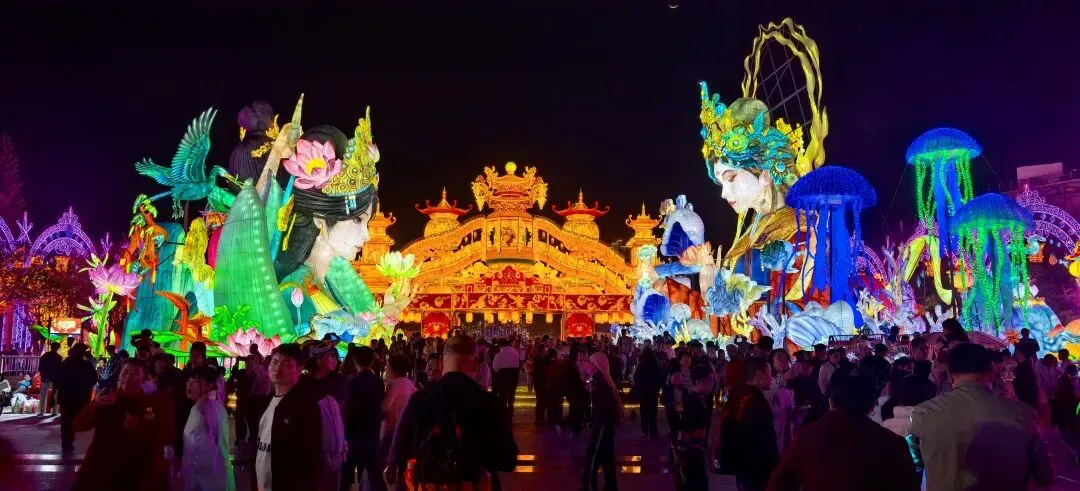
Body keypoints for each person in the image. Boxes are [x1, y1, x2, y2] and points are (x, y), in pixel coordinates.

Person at [909, 343, 1054, 490]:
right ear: (991, 372)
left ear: (950, 375)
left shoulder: (923, 412)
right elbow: (1045, 475)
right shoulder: (1024, 414)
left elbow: (914, 463)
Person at [388, 335, 518, 491]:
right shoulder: (490, 404)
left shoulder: (420, 399)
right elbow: (508, 460)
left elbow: (400, 449)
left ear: (441, 363)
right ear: (476, 364)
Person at [767, 366, 919, 491]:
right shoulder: (892, 444)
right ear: (872, 404)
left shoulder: (805, 437)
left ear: (830, 400)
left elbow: (778, 484)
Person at [73, 358, 174, 491]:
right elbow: (79, 424)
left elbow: (162, 436)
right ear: (119, 375)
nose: (129, 377)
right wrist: (95, 405)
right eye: (125, 372)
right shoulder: (106, 399)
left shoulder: (150, 404)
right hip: (103, 470)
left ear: (144, 379)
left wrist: (139, 427)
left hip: (136, 473)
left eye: (135, 373)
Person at [256, 344, 323, 491]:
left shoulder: (306, 406)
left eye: (286, 363)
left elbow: (309, 457)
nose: (278, 367)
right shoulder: (266, 402)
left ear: (299, 369)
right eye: (275, 361)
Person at [717, 357, 778, 491]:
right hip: (756, 469)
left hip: (737, 465)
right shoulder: (757, 402)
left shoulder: (735, 394)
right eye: (769, 373)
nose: (772, 378)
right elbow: (766, 442)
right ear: (759, 375)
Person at [180, 365, 234, 491]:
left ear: (209, 386)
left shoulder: (203, 411)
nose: (189, 384)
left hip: (207, 481)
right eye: (189, 380)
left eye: (195, 380)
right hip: (216, 476)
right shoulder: (214, 406)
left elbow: (203, 454)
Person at [343, 346, 385, 491]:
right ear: (372, 361)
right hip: (372, 430)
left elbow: (349, 409)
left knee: (347, 470)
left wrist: (346, 432)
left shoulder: (353, 382)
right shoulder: (378, 382)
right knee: (373, 470)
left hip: (355, 431)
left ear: (355, 361)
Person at [581, 351, 623, 491]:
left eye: (590, 362)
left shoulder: (601, 383)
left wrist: (596, 420)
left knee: (593, 455)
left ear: (596, 365)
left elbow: (602, 407)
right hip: (605, 424)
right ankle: (611, 485)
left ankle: (588, 486)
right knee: (607, 457)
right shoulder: (600, 380)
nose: (588, 365)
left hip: (602, 425)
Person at [672, 364, 714, 491]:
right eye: (710, 380)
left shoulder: (699, 399)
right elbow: (688, 428)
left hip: (692, 452)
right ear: (699, 382)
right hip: (692, 452)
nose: (712, 384)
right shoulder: (694, 402)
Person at [57, 343, 97, 452]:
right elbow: (94, 379)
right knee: (75, 420)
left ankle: (66, 442)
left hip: (66, 397)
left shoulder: (65, 363)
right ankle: (69, 440)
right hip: (81, 397)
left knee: (66, 421)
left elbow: (58, 380)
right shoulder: (87, 365)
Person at [380, 354, 416, 465]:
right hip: (403, 428)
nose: (386, 368)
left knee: (383, 462)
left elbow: (385, 407)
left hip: (391, 430)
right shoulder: (409, 383)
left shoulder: (394, 384)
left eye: (388, 366)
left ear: (394, 369)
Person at [634, 347, 665, 439]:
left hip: (644, 393)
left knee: (644, 412)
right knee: (653, 413)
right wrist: (657, 388)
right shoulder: (655, 363)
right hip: (653, 393)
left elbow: (636, 377)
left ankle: (645, 431)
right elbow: (660, 377)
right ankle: (653, 431)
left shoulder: (642, 364)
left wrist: (640, 387)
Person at [492, 338, 521, 420]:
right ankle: (510, 415)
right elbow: (517, 364)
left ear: (500, 345)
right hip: (513, 377)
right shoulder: (515, 352)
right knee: (511, 397)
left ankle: (503, 416)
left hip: (503, 377)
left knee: (503, 397)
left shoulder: (499, 354)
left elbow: (495, 368)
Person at [37, 341, 62, 416]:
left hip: (45, 378)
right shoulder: (59, 357)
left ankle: (41, 411)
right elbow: (60, 370)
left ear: (51, 347)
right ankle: (54, 411)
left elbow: (40, 368)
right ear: (58, 348)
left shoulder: (44, 356)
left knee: (43, 395)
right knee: (55, 396)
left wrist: (43, 375)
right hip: (54, 379)